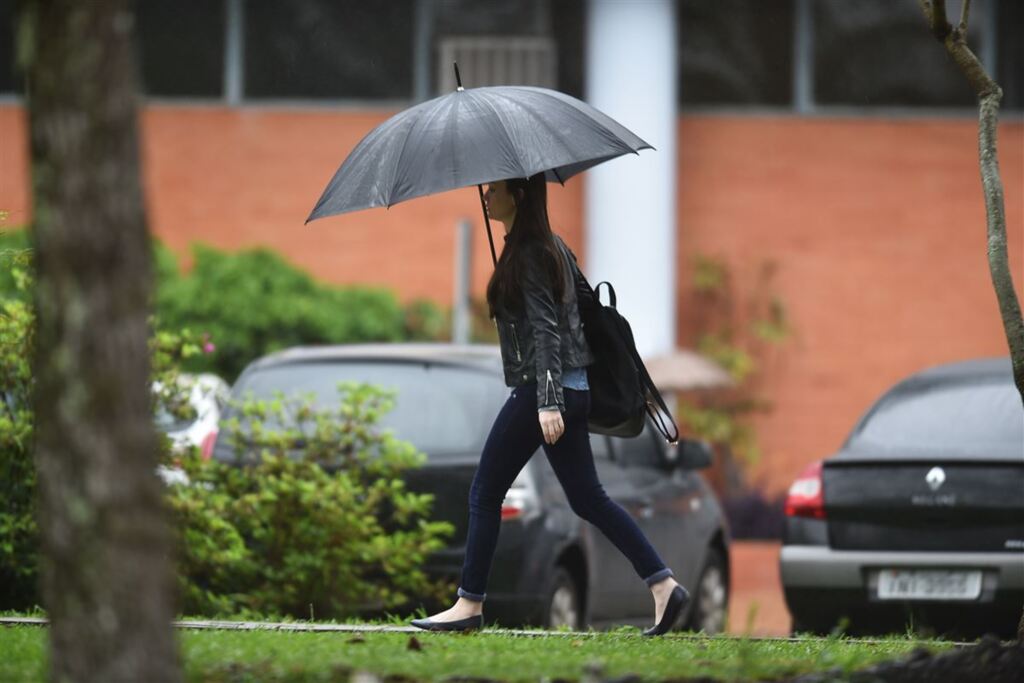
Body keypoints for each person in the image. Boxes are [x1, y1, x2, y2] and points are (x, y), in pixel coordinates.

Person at [410, 174, 689, 635]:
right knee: (588, 499)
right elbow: (574, 312)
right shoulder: (547, 246)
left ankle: (468, 604)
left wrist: (548, 401)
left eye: (493, 189)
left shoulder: (533, 254)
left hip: (545, 392)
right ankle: (663, 585)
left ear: (518, 195)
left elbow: (546, 330)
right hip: (571, 389)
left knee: (484, 492)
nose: (485, 195)